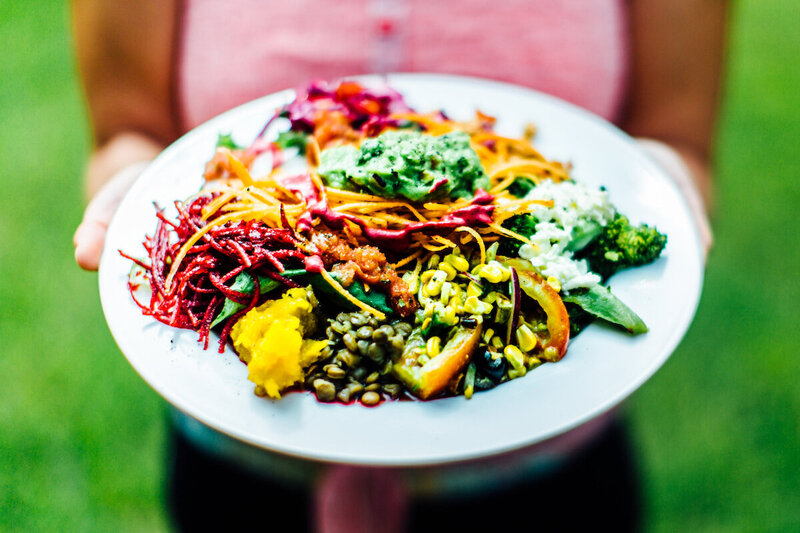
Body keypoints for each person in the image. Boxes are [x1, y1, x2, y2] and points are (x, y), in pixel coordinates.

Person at [72, 1, 725, 531]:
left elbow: (679, 132)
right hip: (240, 472)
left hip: (551, 481)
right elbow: (125, 127)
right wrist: (134, 180)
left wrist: (661, 178)